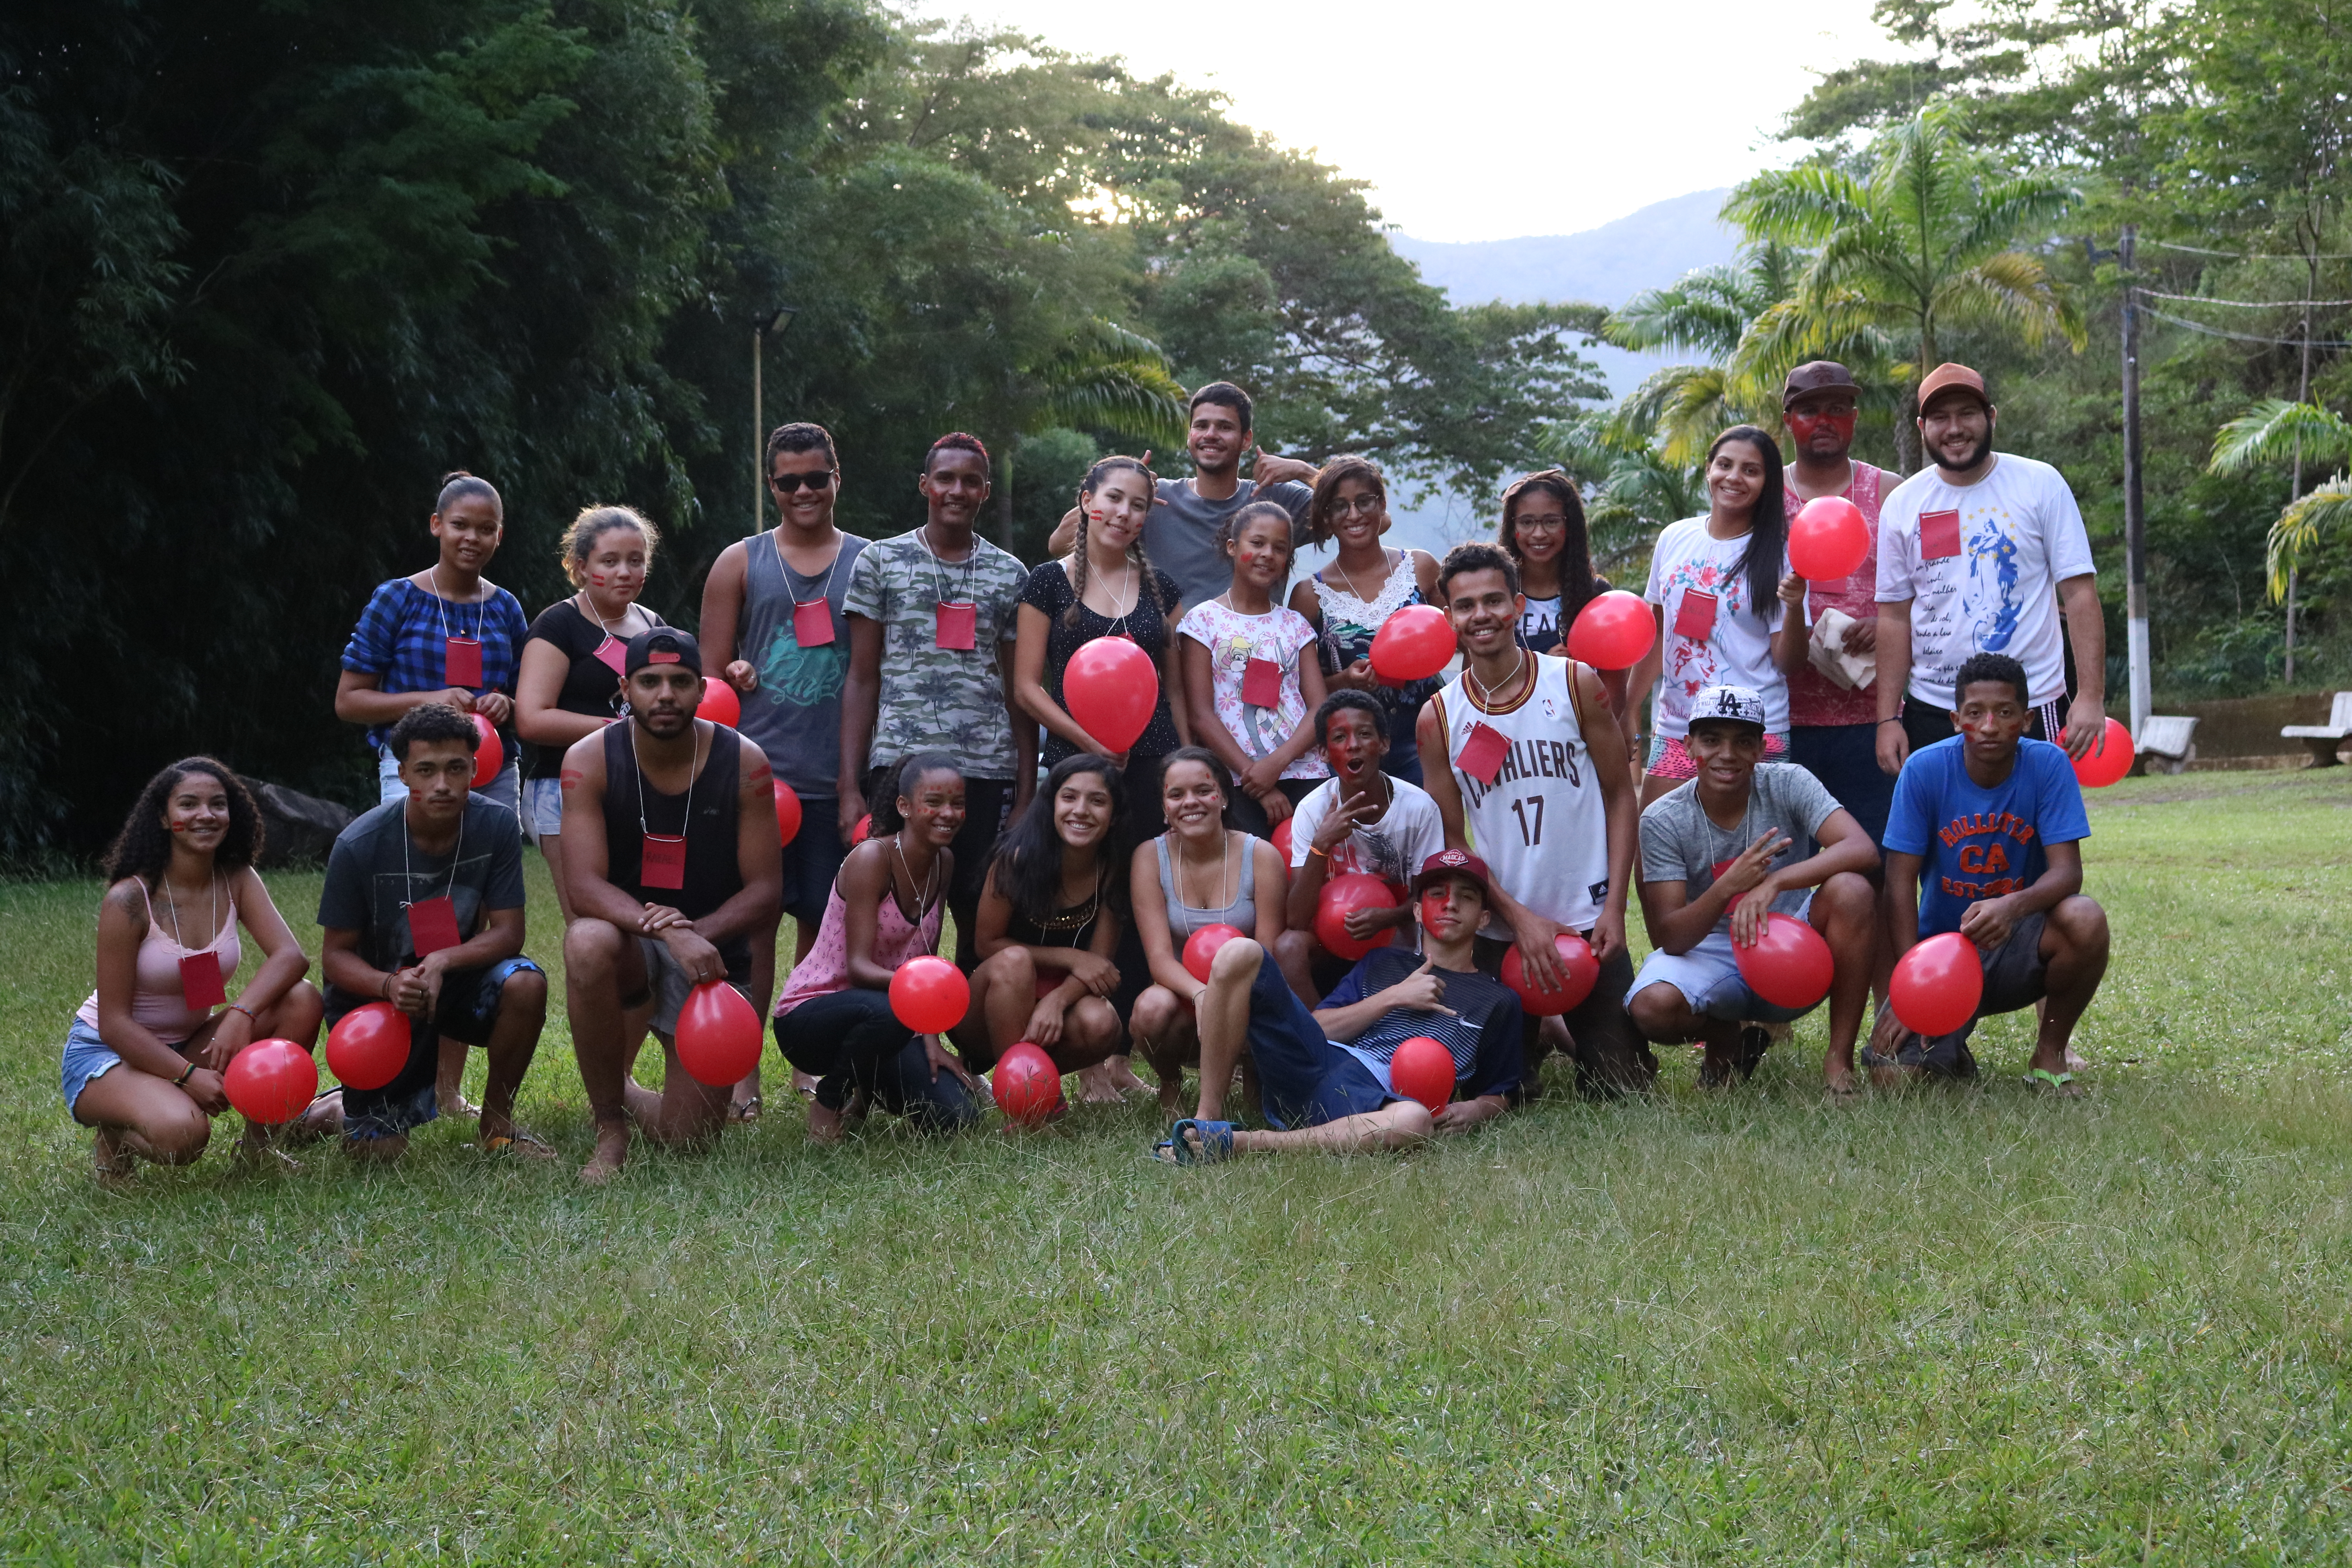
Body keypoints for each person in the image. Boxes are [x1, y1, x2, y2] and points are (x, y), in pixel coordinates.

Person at [1417, 543, 1651, 1096]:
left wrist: (1614, 908)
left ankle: (1567, 1029)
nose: (1482, 616)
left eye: (1494, 600)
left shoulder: (1575, 684)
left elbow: (1621, 796)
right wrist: (1517, 919)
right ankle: (1543, 1030)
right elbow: (1456, 845)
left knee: (1625, 1089)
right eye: (1466, 605)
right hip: (1502, 930)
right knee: (1504, 1091)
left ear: (1518, 605)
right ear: (1450, 618)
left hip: (1587, 919)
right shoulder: (1440, 716)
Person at [560, 630, 782, 1183]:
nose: (665, 695)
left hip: (711, 949)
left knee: (688, 1143)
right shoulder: (589, 760)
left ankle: (626, 1088)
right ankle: (609, 1126)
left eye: (681, 682)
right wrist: (666, 933)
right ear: (624, 688)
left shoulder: (744, 761)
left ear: (701, 689)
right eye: (650, 681)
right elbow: (583, 886)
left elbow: (765, 890)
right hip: (631, 940)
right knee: (586, 941)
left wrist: (696, 934)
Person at [700, 422, 869, 1117]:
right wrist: (732, 670)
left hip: (841, 775)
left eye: (816, 478)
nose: (804, 491)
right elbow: (706, 675)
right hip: (759, 777)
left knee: (822, 925)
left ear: (837, 478)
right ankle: (741, 1073)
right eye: (788, 480)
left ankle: (808, 1057)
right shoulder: (740, 562)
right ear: (771, 486)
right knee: (755, 925)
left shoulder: (869, 561)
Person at [1155, 849, 1523, 1162]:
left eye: (1467, 897)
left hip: (1378, 1099)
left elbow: (1504, 1089)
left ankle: (1245, 1143)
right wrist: (1393, 996)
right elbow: (1322, 1028)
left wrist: (1476, 1110)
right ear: (1416, 911)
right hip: (1318, 1058)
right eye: (1437, 893)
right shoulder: (1382, 962)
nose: (1450, 904)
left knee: (1414, 1122)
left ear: (1484, 918)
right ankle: (1205, 1121)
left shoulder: (1498, 1000)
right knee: (1239, 952)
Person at [64, 759, 324, 1180]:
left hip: (188, 1042)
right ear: (165, 819)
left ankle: (258, 1148)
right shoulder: (129, 899)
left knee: (301, 998)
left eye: (218, 804)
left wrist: (243, 1013)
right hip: (110, 1054)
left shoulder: (236, 878)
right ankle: (115, 1132)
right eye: (189, 804)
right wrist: (188, 1077)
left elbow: (291, 956)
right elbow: (113, 1024)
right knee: (184, 1138)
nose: (205, 814)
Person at [317, 704, 548, 1161]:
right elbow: (335, 957)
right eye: (426, 770)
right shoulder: (358, 845)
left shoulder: (497, 825)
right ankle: (324, 1111)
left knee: (525, 982)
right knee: (378, 1154)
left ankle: (498, 1125)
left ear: (475, 770)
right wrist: (389, 984)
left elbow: (509, 932)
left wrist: (443, 960)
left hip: (455, 983)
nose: (442, 785)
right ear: (403, 774)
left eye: (455, 769)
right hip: (380, 1003)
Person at [839, 432, 1035, 969]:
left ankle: (971, 1049)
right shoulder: (880, 562)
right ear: (925, 485)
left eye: (970, 481)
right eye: (945, 479)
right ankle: (893, 1045)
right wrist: (848, 787)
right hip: (900, 764)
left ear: (986, 492)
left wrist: (1024, 791)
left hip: (985, 768)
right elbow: (860, 678)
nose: (957, 490)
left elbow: (1020, 690)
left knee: (980, 913)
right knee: (895, 914)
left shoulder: (1009, 574)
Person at [1870, 652, 2109, 1091]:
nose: (1989, 726)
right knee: (1894, 1082)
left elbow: (2068, 874)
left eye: (2005, 713)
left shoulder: (2049, 766)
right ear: (1955, 719)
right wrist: (1909, 989)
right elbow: (1899, 884)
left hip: (2019, 944)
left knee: (2085, 917)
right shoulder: (1924, 770)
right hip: (1942, 955)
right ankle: (1950, 1050)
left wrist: (2011, 908)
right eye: (1975, 713)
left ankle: (2050, 1053)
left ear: (2028, 720)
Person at [1628, 685, 1881, 1091]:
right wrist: (1728, 886)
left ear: (1762, 749)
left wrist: (1777, 881)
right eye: (1711, 740)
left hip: (1792, 944)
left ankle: (1839, 1060)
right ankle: (1725, 1034)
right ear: (1689, 745)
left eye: (1743, 742)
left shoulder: (1789, 782)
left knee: (1853, 890)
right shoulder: (1662, 818)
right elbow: (1670, 938)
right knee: (1652, 1007)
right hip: (1709, 948)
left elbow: (1862, 849)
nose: (1727, 754)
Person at [1875, 363, 2109, 777]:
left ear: (1992, 417)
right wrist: (1888, 718)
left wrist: (2089, 696)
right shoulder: (1904, 503)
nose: (1954, 428)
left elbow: (2080, 594)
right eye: (1940, 418)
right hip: (1935, 707)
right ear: (1921, 427)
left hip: (2031, 705)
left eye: (1967, 413)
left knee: (2037, 834)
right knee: (1938, 838)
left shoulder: (2040, 484)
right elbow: (1894, 617)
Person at [772, 752, 984, 1140]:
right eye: (934, 802)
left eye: (957, 804)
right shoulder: (873, 857)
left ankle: (867, 1092)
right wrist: (927, 998)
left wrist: (932, 1039)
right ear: (904, 806)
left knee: (957, 1117)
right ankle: (829, 1101)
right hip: (812, 1017)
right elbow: (859, 968)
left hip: (891, 1016)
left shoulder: (944, 862)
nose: (948, 813)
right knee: (891, 1009)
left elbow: (923, 959)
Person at [1628, 426, 1804, 809]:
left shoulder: (1780, 553)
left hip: (1755, 734)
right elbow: (1656, 636)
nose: (1734, 477)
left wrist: (1794, 607)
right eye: (1725, 465)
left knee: (1753, 857)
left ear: (1767, 483)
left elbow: (1789, 662)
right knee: (1656, 851)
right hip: (1680, 728)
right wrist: (1628, 710)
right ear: (1709, 469)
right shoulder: (1675, 537)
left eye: (1750, 470)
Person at [335, 471, 528, 821]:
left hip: (493, 770)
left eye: (486, 530)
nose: (472, 538)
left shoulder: (507, 608)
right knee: (413, 870)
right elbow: (349, 702)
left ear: (499, 536)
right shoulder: (397, 599)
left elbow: (530, 702)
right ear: (437, 525)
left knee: (490, 871)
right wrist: (431, 701)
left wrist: (507, 704)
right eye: (460, 525)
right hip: (415, 766)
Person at [1014, 455, 1187, 829]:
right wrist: (1092, 743)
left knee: (1148, 876)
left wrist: (1188, 761)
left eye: (1138, 505)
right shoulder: (1047, 582)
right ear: (1087, 501)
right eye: (1114, 498)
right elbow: (1027, 688)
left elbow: (1175, 691)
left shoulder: (1163, 590)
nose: (1124, 513)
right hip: (1074, 763)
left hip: (1155, 759)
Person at [516, 505, 666, 922]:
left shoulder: (653, 625)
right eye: (610, 561)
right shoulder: (559, 624)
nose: (625, 572)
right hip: (562, 790)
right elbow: (531, 718)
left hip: (639, 790)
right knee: (593, 927)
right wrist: (619, 731)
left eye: (636, 561)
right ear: (582, 568)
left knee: (644, 920)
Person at [1047, 381, 1320, 606]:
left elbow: (1360, 507)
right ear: (1190, 435)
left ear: (1246, 439)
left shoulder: (1278, 501)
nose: (1211, 435)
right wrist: (1119, 492)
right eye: (1201, 426)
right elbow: (1059, 544)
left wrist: (1305, 472)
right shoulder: (1157, 499)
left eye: (1225, 427)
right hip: (1169, 658)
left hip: (1250, 657)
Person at [1125, 747, 1290, 1113]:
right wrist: (1203, 996)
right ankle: (1170, 1083)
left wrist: (1225, 1002)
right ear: (1164, 806)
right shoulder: (1148, 858)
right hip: (1185, 995)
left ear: (1224, 797)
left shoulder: (1261, 856)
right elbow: (1158, 959)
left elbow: (1268, 955)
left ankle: (1253, 1073)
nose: (1191, 803)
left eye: (1203, 790)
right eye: (1176, 795)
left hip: (1248, 993)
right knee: (1150, 1009)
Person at [1777, 362, 1901, 845]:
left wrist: (1881, 623)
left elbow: (1921, 589)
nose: (1824, 420)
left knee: (1878, 856)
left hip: (1872, 718)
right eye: (1809, 410)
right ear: (1788, 419)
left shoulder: (1888, 491)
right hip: (1783, 721)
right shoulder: (1767, 497)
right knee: (1789, 863)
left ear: (1854, 417)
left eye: (1837, 408)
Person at [968, 755, 1133, 1094]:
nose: (1081, 810)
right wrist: (1072, 958)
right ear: (1051, 803)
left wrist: (1056, 1001)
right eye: (1069, 797)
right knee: (1015, 961)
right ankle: (1027, 1099)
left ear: (1114, 816)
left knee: (1101, 1023)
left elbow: (1099, 966)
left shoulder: (1114, 868)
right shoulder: (1016, 858)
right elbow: (986, 944)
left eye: (1098, 801)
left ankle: (1038, 1083)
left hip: (1056, 1006)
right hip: (991, 1003)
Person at [1275, 691, 1445, 1003]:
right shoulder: (1313, 810)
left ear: (1384, 744)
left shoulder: (1419, 809)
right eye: (1340, 737)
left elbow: (1431, 898)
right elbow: (1297, 920)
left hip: (1398, 935)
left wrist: (1388, 918)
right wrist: (1322, 844)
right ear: (1324, 753)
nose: (1353, 745)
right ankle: (1321, 1038)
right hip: (1330, 939)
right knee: (1288, 947)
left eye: (1365, 734)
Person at [1176, 499, 1330, 837]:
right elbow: (1200, 714)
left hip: (1305, 773)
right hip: (1235, 779)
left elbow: (1319, 707)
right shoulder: (1202, 622)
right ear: (1233, 547)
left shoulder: (1296, 625)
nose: (1267, 554)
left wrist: (1275, 765)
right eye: (1257, 543)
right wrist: (1254, 775)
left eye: (1279, 548)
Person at [1288, 454, 1443, 784]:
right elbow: (1299, 690)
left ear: (1382, 504)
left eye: (1364, 501)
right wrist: (1345, 681)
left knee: (1432, 832)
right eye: (1340, 506)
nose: (1354, 515)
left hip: (1427, 741)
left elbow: (1465, 638)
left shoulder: (1422, 568)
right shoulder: (1309, 594)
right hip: (1349, 751)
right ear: (1327, 517)